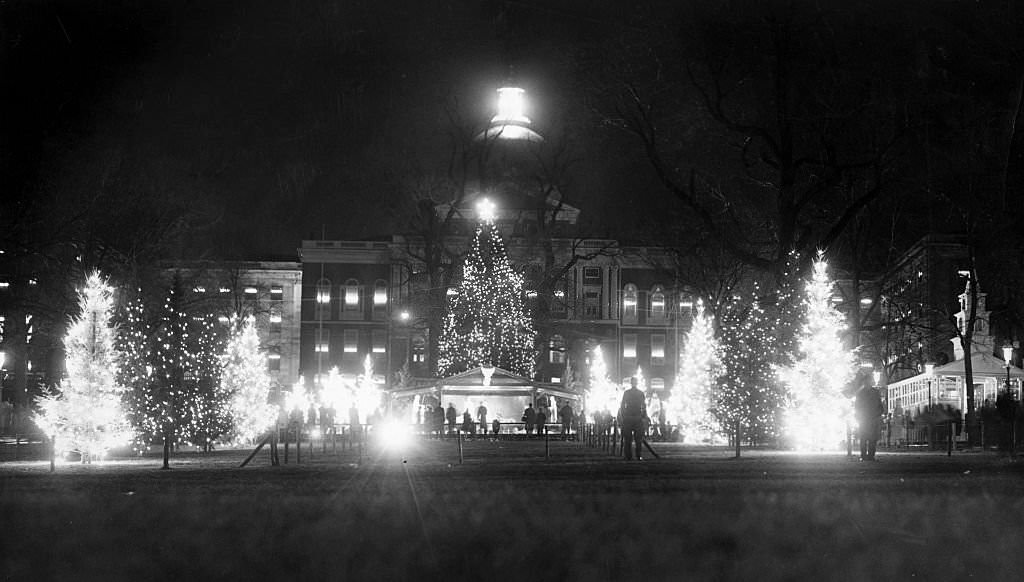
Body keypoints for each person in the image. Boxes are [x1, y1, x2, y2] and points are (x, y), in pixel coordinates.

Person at [618, 377, 648, 460]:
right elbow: (644, 406)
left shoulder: (627, 393)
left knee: (628, 439)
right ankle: (638, 455)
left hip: (629, 417)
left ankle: (628, 455)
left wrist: (624, 416)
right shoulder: (640, 393)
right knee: (638, 439)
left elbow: (622, 405)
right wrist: (643, 416)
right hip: (637, 417)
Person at [855, 381, 884, 461]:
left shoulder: (861, 393)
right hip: (868, 417)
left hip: (868, 417)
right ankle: (867, 455)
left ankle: (867, 455)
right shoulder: (873, 392)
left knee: (869, 438)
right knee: (867, 437)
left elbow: (857, 405)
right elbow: (879, 403)